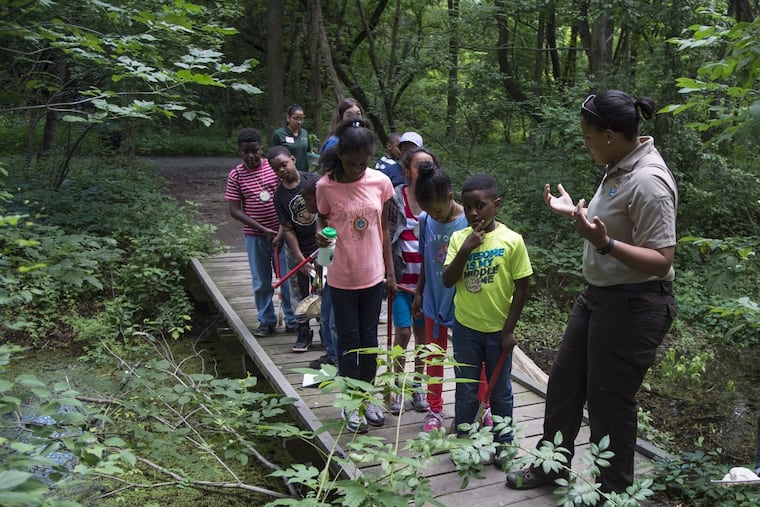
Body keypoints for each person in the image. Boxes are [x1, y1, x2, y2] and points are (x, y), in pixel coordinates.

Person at [506, 90, 678, 497]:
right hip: (599, 298)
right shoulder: (617, 163)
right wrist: (574, 214)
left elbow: (662, 259)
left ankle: (612, 492)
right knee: (564, 383)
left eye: (587, 137)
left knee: (608, 403)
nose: (585, 144)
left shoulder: (648, 181)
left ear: (611, 134)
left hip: (634, 305)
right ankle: (553, 463)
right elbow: (614, 224)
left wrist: (605, 245)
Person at [442, 173, 532, 465]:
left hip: (498, 332)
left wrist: (509, 331)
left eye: (479, 206)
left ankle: (504, 445)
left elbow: (522, 286)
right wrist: (466, 248)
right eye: (467, 207)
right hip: (466, 329)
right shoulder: (458, 239)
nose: (472, 213)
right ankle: (466, 443)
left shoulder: (512, 241)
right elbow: (447, 280)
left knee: (501, 393)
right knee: (466, 390)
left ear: (497, 204)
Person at [316, 117, 396, 433]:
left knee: (369, 341)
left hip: (374, 276)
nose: (357, 169)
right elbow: (322, 227)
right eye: (351, 163)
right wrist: (321, 239)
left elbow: (384, 231)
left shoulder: (380, 182)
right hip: (341, 277)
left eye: (363, 164)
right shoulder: (324, 186)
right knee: (348, 343)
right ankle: (351, 404)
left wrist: (390, 274)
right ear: (339, 156)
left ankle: (367, 397)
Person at [410, 160, 468, 432]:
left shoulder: (468, 220)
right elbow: (424, 260)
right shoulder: (425, 220)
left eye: (437, 210)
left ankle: (479, 407)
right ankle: (434, 410)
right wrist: (419, 292)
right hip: (434, 300)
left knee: (470, 360)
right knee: (434, 357)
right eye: (427, 212)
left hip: (465, 304)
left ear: (450, 197)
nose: (433, 216)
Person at [225, 128, 297, 337]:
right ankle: (266, 320)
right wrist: (262, 229)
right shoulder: (236, 175)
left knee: (287, 277)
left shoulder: (273, 168)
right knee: (261, 281)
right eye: (245, 151)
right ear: (239, 152)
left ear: (261, 149)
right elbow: (235, 209)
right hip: (255, 235)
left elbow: (287, 196)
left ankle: (292, 320)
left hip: (283, 233)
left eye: (254, 151)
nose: (251, 156)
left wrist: (281, 230)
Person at [387, 147, 440, 416]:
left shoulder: (434, 198)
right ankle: (395, 385)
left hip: (425, 284)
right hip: (400, 281)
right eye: (420, 165)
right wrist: (389, 274)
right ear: (407, 169)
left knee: (423, 336)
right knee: (403, 332)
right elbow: (387, 235)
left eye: (429, 165)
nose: (425, 170)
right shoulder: (396, 197)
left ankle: (418, 385)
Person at [267, 145, 319, 352]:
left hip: (322, 246)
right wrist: (299, 259)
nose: (281, 170)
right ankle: (303, 332)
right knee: (299, 292)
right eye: (276, 168)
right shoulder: (279, 196)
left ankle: (327, 330)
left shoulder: (313, 181)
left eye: (284, 164)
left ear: (293, 160)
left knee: (324, 289)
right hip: (297, 248)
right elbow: (287, 228)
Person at [300, 177, 338, 369]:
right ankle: (331, 354)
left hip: (339, 277)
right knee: (325, 316)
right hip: (326, 277)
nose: (305, 205)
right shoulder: (321, 220)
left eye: (307, 200)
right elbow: (323, 255)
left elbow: (330, 252)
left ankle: (338, 357)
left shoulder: (332, 219)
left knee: (333, 320)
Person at [271, 105, 312, 173]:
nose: (299, 122)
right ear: (288, 118)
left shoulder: (304, 133)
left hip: (304, 173)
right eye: (296, 118)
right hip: (286, 173)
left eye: (301, 119)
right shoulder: (279, 134)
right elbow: (273, 156)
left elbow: (308, 153)